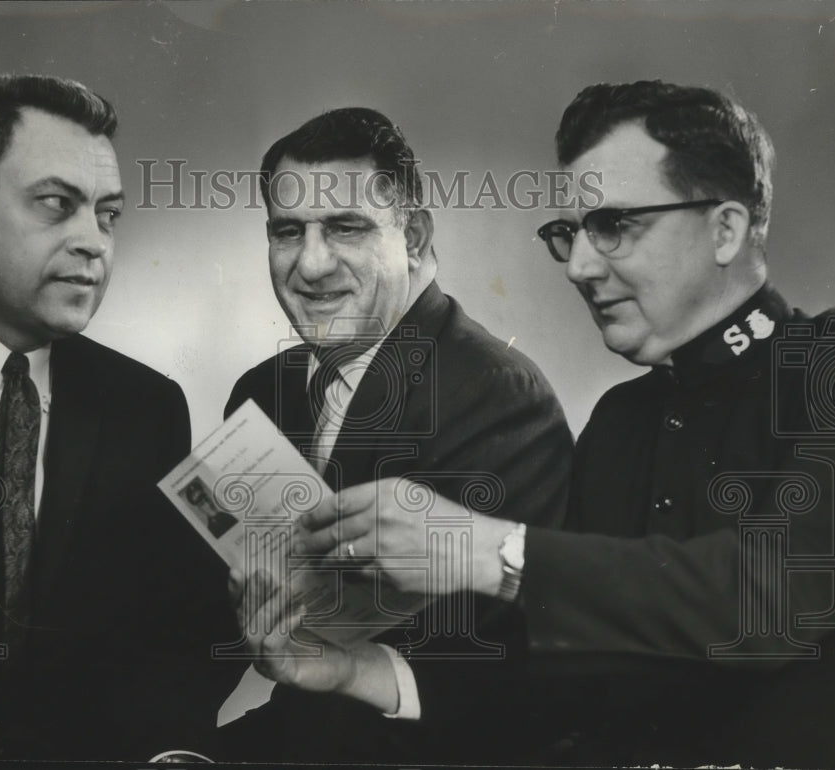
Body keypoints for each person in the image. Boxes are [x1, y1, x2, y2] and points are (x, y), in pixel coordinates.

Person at [266, 82, 835, 766]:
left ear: (724, 229)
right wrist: (351, 670)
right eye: (569, 232)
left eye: (614, 226)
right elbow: (549, 698)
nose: (578, 266)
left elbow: (773, 598)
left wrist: (487, 549)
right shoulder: (621, 421)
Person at [0, 75, 239, 760]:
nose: (94, 241)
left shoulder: (146, 408)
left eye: (109, 214)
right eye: (57, 204)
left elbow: (176, 645)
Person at [219, 107, 574, 762]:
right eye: (287, 232)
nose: (311, 264)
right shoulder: (261, 392)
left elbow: (493, 691)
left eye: (345, 228)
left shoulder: (500, 400)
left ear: (413, 237)